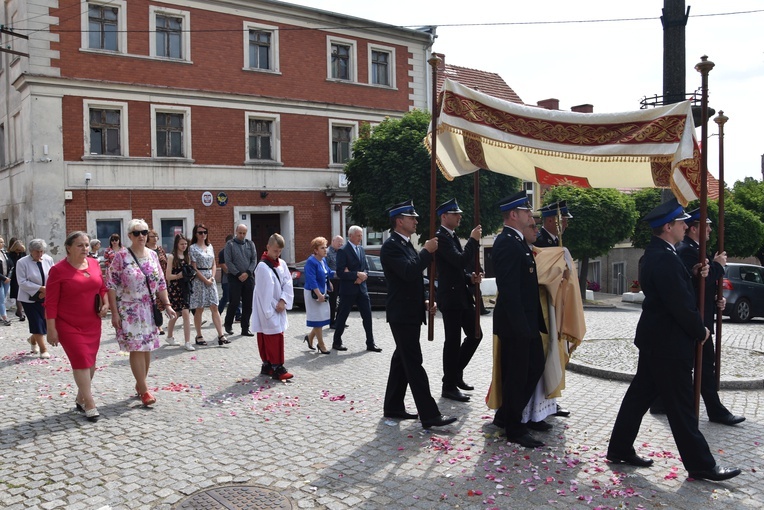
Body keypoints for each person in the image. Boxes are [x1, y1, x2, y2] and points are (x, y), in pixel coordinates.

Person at [607, 198, 741, 482]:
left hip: (656, 342)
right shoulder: (665, 258)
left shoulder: (659, 254)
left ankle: (619, 448)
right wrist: (700, 330)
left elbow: (677, 293)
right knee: (681, 408)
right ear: (668, 227)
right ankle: (702, 464)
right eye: (681, 222)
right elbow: (680, 305)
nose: (685, 226)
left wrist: (694, 275)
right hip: (668, 345)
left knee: (638, 397)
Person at [381, 199, 455, 430]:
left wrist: (424, 301)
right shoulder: (391, 246)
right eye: (411, 218)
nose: (416, 221)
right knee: (414, 362)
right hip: (401, 314)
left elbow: (411, 280)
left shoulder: (405, 244)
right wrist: (426, 251)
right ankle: (430, 415)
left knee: (401, 360)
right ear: (399, 221)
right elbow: (407, 271)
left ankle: (393, 406)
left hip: (410, 311)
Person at [674, 208, 744, 425]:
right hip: (696, 319)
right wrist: (719, 266)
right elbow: (694, 283)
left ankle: (661, 403)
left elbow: (701, 287)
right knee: (704, 367)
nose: (711, 230)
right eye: (707, 226)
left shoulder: (697, 249)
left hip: (701, 315)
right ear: (694, 228)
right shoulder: (687, 250)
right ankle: (715, 411)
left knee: (696, 366)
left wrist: (716, 300)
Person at [490, 191, 547, 448]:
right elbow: (510, 291)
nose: (529, 215)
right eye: (525, 212)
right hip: (516, 324)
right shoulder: (507, 243)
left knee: (531, 368)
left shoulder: (518, 241)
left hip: (525, 322)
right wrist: (523, 327)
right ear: (514, 215)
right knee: (518, 374)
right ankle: (514, 427)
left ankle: (505, 416)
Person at [107, 219, 177, 407]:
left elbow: (161, 282)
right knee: (137, 348)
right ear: (129, 236)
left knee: (147, 348)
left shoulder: (153, 255)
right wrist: (114, 313)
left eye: (144, 232)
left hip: (148, 308)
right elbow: (111, 285)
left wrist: (167, 304)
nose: (141, 236)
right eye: (137, 233)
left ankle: (140, 384)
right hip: (129, 309)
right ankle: (144, 390)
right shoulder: (121, 257)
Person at [45, 231, 109, 422]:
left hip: (92, 322)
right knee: (81, 360)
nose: (85, 249)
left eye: (87, 245)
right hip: (67, 324)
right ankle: (90, 404)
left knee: (91, 364)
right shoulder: (58, 270)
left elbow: (101, 288)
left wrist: (105, 304)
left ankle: (81, 398)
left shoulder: (95, 264)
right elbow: (50, 302)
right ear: (69, 248)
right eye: (80, 245)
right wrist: (51, 328)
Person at [433, 198, 483, 403]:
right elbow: (459, 260)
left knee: (475, 334)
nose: (460, 216)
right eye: (456, 214)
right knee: (452, 341)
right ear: (444, 217)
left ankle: (455, 374)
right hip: (451, 297)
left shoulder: (450, 236)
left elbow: (457, 269)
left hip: (460, 294)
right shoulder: (441, 237)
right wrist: (473, 240)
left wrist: (469, 277)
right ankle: (449, 385)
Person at [534, 201, 575, 418]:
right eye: (564, 219)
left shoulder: (557, 242)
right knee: (546, 351)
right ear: (552, 220)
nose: (566, 223)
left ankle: (552, 399)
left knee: (556, 351)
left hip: (556, 303)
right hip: (544, 304)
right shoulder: (540, 241)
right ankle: (544, 399)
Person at [251, 233, 294, 381]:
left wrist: (283, 300)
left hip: (278, 304)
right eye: (275, 250)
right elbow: (264, 292)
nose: (278, 254)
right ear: (268, 247)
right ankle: (276, 366)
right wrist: (271, 309)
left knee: (274, 333)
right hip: (267, 306)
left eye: (280, 251)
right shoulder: (263, 267)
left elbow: (288, 282)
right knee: (270, 334)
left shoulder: (281, 263)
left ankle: (269, 365)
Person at [332, 225, 381, 352]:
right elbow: (340, 272)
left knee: (367, 316)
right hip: (348, 290)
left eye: (361, 235)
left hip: (362, 289)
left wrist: (362, 276)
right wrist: (356, 275)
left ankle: (370, 343)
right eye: (358, 235)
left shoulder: (361, 249)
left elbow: (365, 268)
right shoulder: (343, 250)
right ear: (351, 236)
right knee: (342, 316)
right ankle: (336, 342)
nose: (361, 238)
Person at [189, 223, 229, 346]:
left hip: (210, 279)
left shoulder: (210, 246)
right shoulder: (193, 248)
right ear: (196, 234)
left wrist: (212, 276)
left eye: (205, 232)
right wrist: (204, 279)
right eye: (200, 232)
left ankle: (221, 335)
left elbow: (214, 264)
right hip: (199, 279)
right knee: (199, 308)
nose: (203, 235)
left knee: (214, 306)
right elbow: (193, 268)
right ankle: (199, 335)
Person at [17, 239, 55, 359]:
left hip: (46, 296)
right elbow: (22, 282)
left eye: (41, 251)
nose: (39, 254)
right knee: (36, 322)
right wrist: (40, 288)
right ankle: (43, 349)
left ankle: (33, 340)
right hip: (29, 298)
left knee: (44, 322)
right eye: (37, 252)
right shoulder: (22, 262)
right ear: (31, 251)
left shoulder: (48, 259)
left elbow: (54, 275)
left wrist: (47, 290)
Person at [223, 224, 257, 337]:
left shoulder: (250, 244)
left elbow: (254, 260)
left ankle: (245, 328)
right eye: (240, 233)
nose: (241, 235)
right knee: (235, 302)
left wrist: (247, 273)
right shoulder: (230, 244)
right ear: (236, 232)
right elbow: (228, 261)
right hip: (234, 277)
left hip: (248, 277)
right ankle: (228, 324)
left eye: (244, 233)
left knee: (248, 304)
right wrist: (238, 274)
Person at [303, 236, 333, 354]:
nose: (325, 250)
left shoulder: (323, 260)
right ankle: (321, 344)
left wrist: (332, 279)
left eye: (326, 247)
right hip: (313, 293)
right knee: (317, 319)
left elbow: (327, 272)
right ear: (315, 250)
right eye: (322, 248)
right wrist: (319, 294)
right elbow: (311, 280)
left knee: (321, 318)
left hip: (322, 291)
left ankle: (310, 338)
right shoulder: (311, 262)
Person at [164, 234, 195, 351]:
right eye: (182, 244)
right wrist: (178, 275)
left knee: (186, 314)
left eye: (186, 244)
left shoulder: (187, 256)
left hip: (185, 288)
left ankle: (187, 342)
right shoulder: (172, 257)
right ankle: (169, 336)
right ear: (177, 244)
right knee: (175, 314)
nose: (184, 246)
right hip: (175, 288)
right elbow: (168, 276)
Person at [147, 229, 168, 336]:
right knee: (154, 303)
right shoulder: (145, 250)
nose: (155, 239)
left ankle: (158, 323)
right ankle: (158, 326)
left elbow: (166, 262)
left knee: (161, 303)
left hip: (161, 279)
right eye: (152, 236)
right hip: (150, 281)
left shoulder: (160, 249)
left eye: (156, 236)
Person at [217, 234, 241, 321]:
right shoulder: (223, 252)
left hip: (235, 279)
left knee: (236, 297)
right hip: (226, 280)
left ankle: (238, 315)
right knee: (226, 297)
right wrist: (233, 273)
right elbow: (223, 266)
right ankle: (217, 313)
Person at [326, 235, 343, 329]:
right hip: (332, 280)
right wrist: (328, 281)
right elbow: (326, 268)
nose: (340, 244)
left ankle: (339, 321)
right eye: (338, 242)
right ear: (333, 241)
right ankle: (331, 322)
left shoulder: (341, 252)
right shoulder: (328, 252)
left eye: (341, 242)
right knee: (332, 302)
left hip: (341, 280)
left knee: (342, 301)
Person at [8, 238, 27, 322]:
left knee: (22, 294)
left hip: (23, 276)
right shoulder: (10, 255)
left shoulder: (23, 253)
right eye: (18, 250)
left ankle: (19, 311)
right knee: (17, 295)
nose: (19, 252)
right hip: (15, 277)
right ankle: (20, 313)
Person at [0, 237, 13, 326]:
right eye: (1, 242)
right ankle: (5, 317)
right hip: (1, 280)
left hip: (7, 279)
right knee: (1, 299)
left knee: (3, 298)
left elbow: (11, 265)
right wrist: (4, 278)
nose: (3, 244)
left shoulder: (4, 253)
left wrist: (9, 276)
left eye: (3, 242)